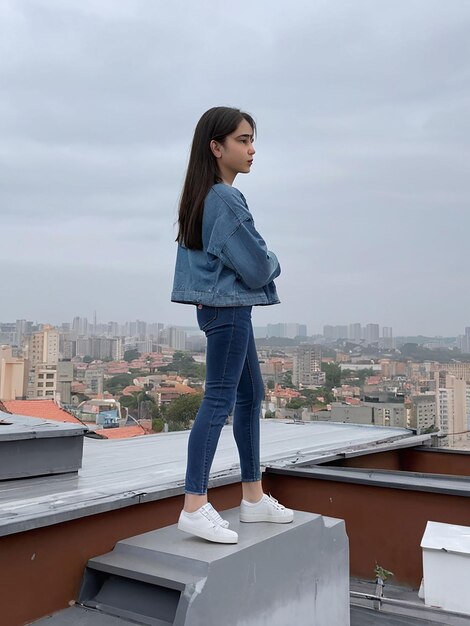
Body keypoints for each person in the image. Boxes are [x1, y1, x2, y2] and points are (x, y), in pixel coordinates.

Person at [171, 106, 293, 544]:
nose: (252, 149)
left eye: (251, 139)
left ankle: (253, 497)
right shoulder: (223, 197)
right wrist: (277, 260)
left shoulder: (203, 194)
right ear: (216, 147)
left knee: (250, 395)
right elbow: (259, 266)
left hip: (224, 308)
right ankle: (193, 504)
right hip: (229, 310)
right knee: (220, 400)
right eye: (242, 140)